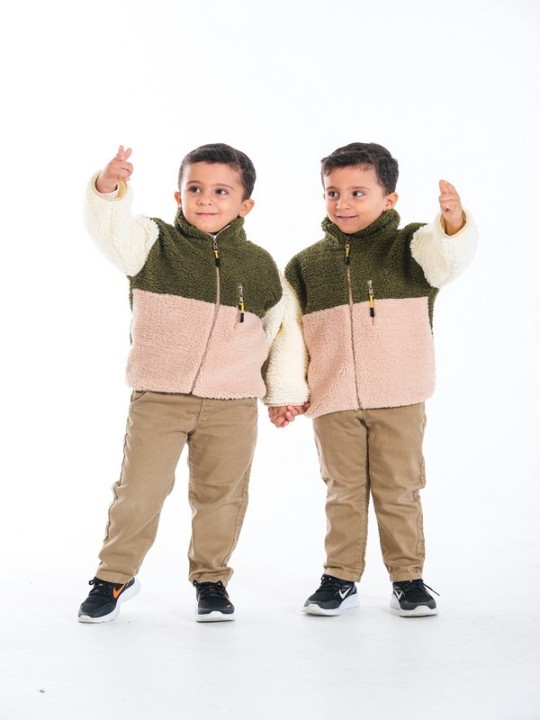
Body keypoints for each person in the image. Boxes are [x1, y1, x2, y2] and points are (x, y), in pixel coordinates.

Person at [79, 143, 309, 623]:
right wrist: (108, 188)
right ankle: (114, 576)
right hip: (159, 397)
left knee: (221, 496)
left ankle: (211, 581)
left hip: (232, 403)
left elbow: (281, 332)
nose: (205, 199)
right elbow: (110, 230)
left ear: (245, 205)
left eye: (221, 191)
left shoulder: (261, 266)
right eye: (195, 188)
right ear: (178, 195)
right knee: (139, 491)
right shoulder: (153, 243)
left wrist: (283, 394)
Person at [269, 142, 478, 617]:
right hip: (333, 397)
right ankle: (340, 578)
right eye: (333, 193)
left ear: (389, 199)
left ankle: (408, 579)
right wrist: (288, 392)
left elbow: (446, 260)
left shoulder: (411, 247)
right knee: (342, 490)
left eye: (357, 193)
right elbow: (290, 335)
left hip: (399, 394)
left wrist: (452, 224)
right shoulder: (305, 265)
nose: (342, 203)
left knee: (398, 489)